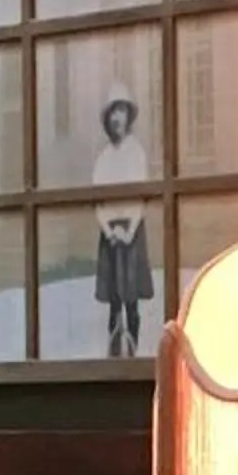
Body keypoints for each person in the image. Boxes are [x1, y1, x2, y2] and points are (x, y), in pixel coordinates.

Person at [89, 87, 153, 356]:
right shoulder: (103, 158)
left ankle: (134, 355)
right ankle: (114, 357)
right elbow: (97, 201)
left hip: (131, 232)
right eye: (113, 111)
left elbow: (141, 197)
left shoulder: (136, 153)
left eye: (122, 110)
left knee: (131, 301)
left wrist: (129, 231)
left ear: (129, 116)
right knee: (114, 303)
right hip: (110, 233)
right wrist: (108, 229)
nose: (117, 117)